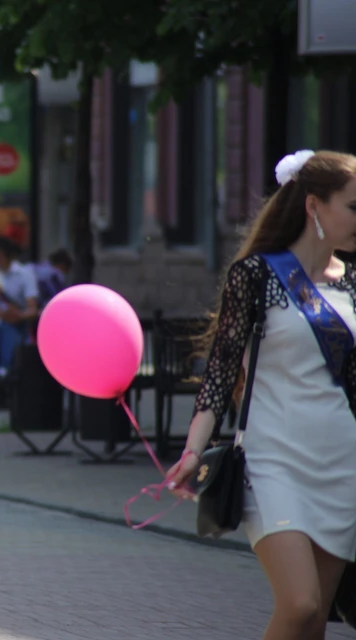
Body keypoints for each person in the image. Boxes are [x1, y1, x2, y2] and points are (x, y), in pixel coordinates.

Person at [167, 150, 356, 639]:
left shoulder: (353, 283)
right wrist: (192, 451)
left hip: (343, 464)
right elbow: (220, 370)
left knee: (316, 620)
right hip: (274, 462)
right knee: (299, 604)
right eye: (353, 206)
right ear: (315, 206)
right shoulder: (256, 275)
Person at [0, 236, 39, 380]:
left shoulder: (25, 274)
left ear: (0, 254)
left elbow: (32, 306)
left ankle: (5, 371)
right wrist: (4, 315)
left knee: (11, 329)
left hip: (18, 321)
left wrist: (19, 316)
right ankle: (7, 370)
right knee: (9, 328)